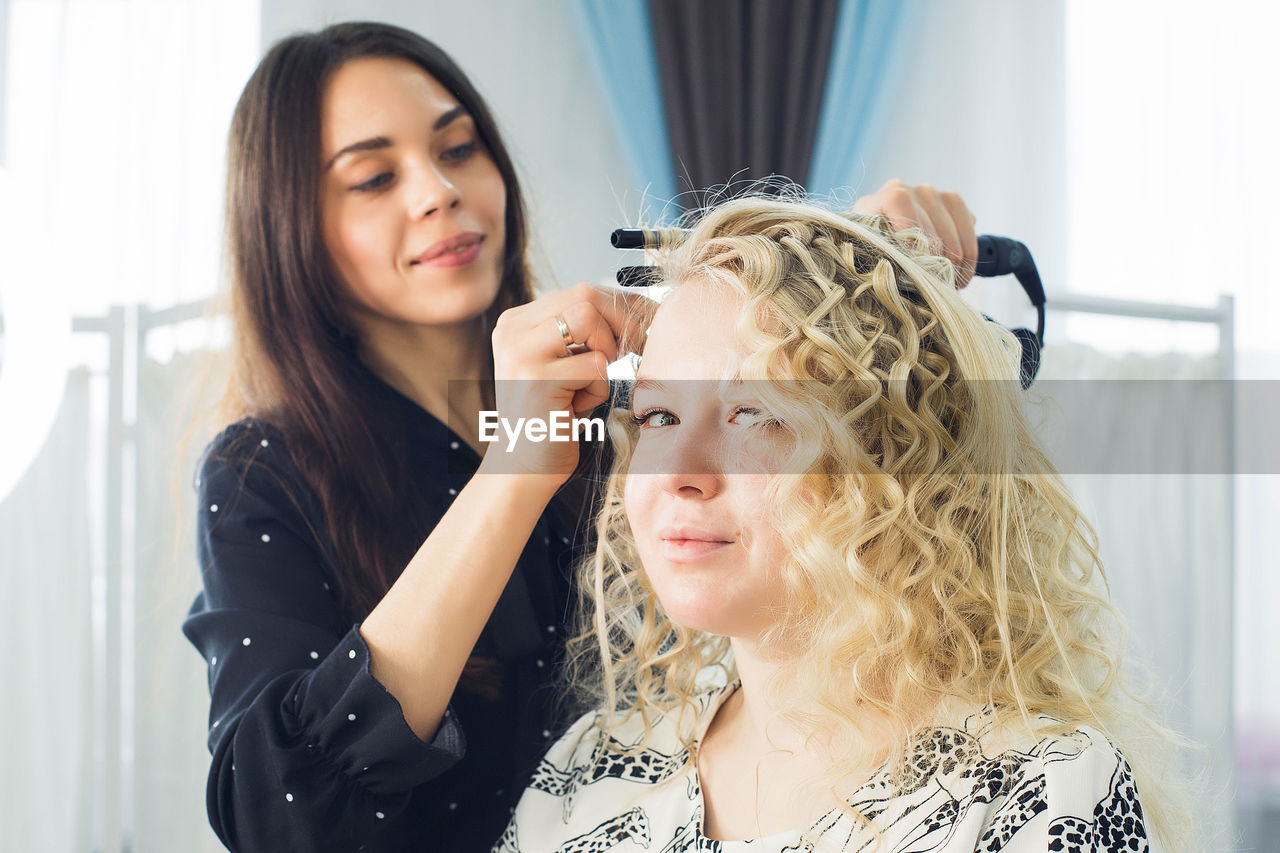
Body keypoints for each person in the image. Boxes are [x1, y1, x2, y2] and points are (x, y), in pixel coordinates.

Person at [181, 20, 983, 853]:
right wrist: (516, 466)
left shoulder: (623, 408)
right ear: (288, 226)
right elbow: (275, 811)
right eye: (375, 177)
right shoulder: (262, 474)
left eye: (458, 149)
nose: (436, 192)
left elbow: (863, 562)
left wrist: (860, 270)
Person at [498, 196, 1188, 852]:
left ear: (893, 463)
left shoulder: (1040, 792)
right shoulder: (593, 769)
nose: (680, 471)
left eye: (756, 414)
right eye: (659, 416)